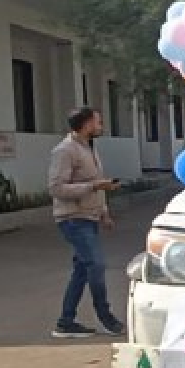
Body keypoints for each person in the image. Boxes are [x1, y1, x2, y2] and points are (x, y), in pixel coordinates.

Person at [48, 107, 125, 338]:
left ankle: (65, 322)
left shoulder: (88, 148)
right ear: (86, 124)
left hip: (89, 217)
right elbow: (56, 188)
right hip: (73, 219)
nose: (101, 126)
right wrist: (94, 187)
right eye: (97, 122)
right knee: (96, 265)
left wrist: (104, 212)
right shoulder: (64, 151)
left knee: (82, 271)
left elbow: (94, 182)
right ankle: (106, 318)